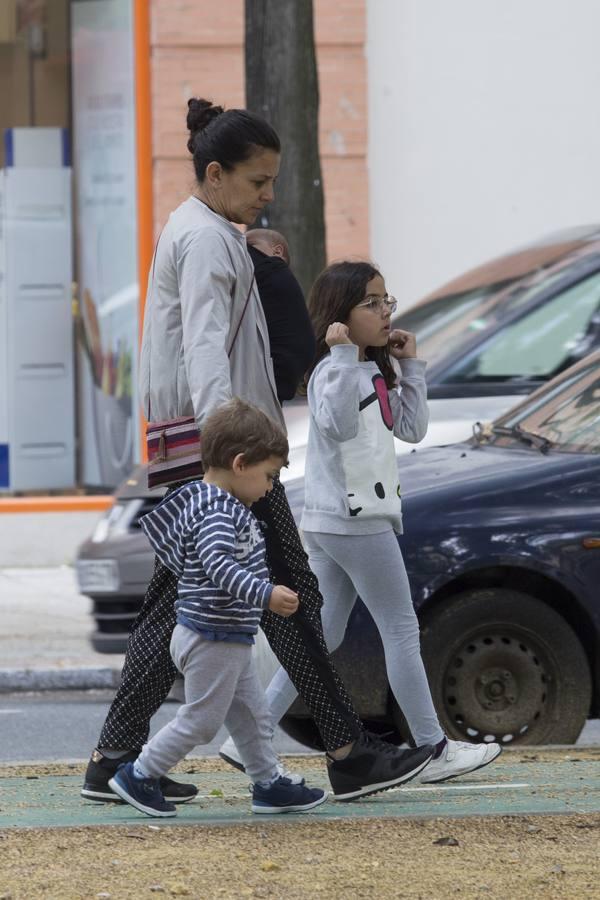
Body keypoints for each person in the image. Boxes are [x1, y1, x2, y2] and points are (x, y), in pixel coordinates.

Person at [81, 98, 433, 807]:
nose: (268, 195)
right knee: (292, 595)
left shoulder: (196, 228)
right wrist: (232, 446)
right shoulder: (210, 240)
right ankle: (345, 752)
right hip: (225, 449)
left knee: (172, 604)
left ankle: (115, 758)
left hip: (193, 444)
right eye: (257, 182)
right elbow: (207, 342)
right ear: (215, 174)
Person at [219, 261, 502, 786]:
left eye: (386, 300)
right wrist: (346, 355)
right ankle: (432, 748)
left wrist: (411, 368)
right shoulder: (335, 368)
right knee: (400, 628)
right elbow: (338, 424)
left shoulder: (372, 369)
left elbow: (413, 429)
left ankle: (247, 738)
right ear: (341, 316)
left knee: (322, 632)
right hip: (353, 519)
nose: (385, 311)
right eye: (371, 303)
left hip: (341, 519)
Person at [108, 400, 327, 818]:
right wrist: (265, 594)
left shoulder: (210, 502)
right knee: (203, 721)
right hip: (212, 635)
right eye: (268, 476)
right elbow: (218, 565)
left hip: (221, 633)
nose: (269, 487)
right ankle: (139, 774)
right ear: (240, 464)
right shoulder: (218, 512)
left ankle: (267, 784)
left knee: (250, 714)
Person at [246, 228, 316, 403]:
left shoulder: (272, 268)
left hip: (269, 378)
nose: (243, 250)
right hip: (280, 379)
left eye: (250, 247)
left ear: (277, 252)